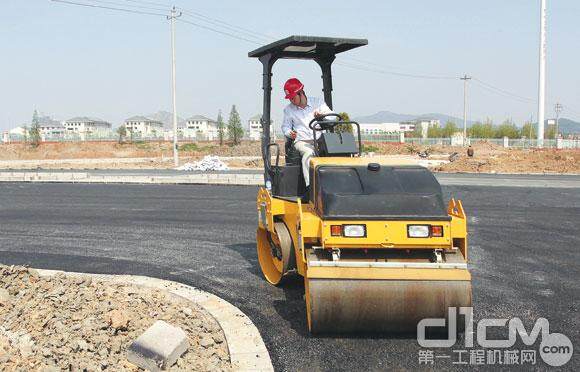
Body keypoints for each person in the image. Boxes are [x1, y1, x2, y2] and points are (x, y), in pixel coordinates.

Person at [281, 78, 334, 187]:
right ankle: (311, 189)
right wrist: (289, 133)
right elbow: (285, 127)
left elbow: (333, 117)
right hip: (302, 141)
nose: (291, 100)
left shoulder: (318, 103)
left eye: (293, 97)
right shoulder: (288, 110)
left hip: (320, 139)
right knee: (308, 153)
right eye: (289, 98)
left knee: (336, 154)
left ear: (300, 93)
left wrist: (322, 117)